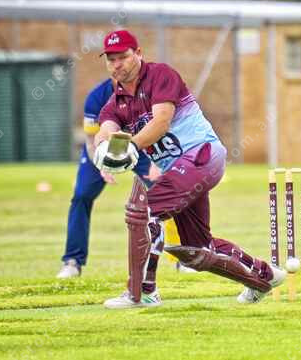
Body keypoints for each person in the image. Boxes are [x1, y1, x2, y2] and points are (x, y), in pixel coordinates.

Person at [91, 29, 285, 308]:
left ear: (139, 54)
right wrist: (104, 149)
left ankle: (142, 292)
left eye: (123, 57)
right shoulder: (115, 103)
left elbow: (161, 122)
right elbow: (106, 129)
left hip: (201, 156)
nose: (117, 64)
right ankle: (264, 277)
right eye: (111, 59)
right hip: (179, 172)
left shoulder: (160, 75)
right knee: (197, 250)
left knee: (144, 211)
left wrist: (130, 146)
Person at [56, 78, 152, 278]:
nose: (119, 69)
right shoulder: (96, 96)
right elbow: (91, 139)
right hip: (101, 148)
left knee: (169, 192)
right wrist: (101, 164)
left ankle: (182, 258)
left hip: (140, 146)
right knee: (82, 195)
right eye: (113, 63)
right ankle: (72, 261)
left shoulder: (149, 90)